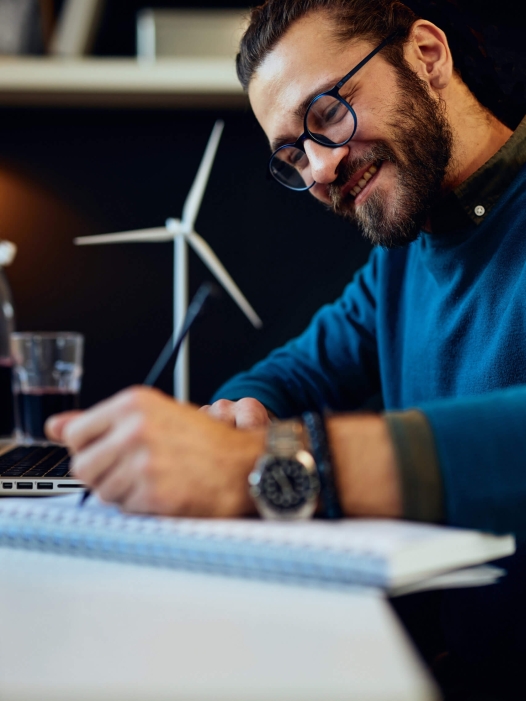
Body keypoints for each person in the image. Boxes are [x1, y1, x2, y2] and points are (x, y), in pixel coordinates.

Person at [46, 0, 526, 536]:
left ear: (427, 56)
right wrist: (231, 424)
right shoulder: (400, 262)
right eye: (294, 155)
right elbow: (292, 375)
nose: (321, 168)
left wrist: (277, 464)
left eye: (328, 112)